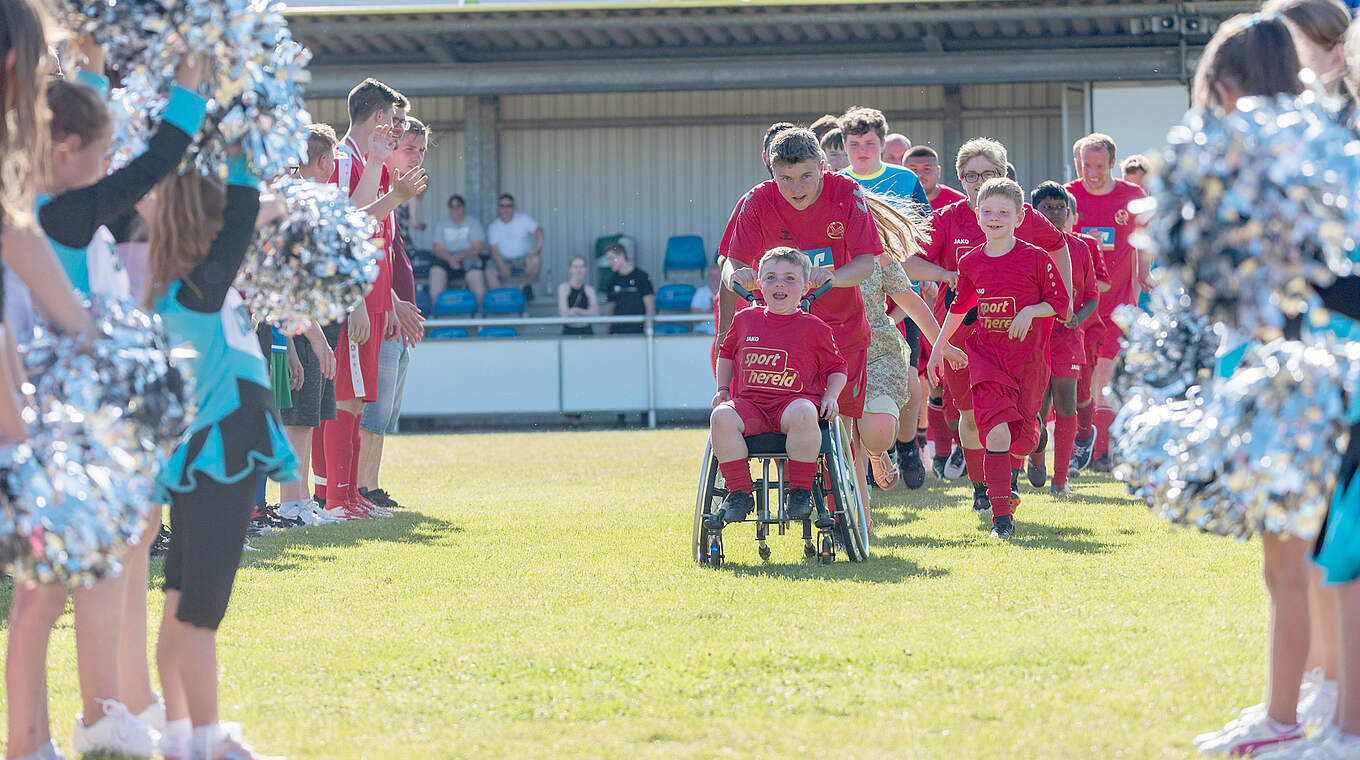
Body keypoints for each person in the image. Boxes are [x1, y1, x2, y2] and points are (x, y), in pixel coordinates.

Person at [1174, 15, 1322, 758]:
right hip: (1303, 371)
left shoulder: (1250, 162)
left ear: (1225, 88)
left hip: (1278, 374)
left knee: (1288, 567)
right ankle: (1307, 703)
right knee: (1315, 566)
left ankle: (1286, 715)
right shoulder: (1317, 149)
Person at [146, 161, 294, 760]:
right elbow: (241, 216)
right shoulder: (198, 283)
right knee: (200, 609)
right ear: (205, 225)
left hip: (211, 451)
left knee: (181, 601)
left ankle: (181, 735)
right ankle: (207, 741)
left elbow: (240, 220)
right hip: (222, 453)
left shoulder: (193, 282)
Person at [918, 137, 1070, 513]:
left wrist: (1056, 301)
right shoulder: (947, 218)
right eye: (970, 175)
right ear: (960, 178)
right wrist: (947, 273)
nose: (978, 181)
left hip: (1015, 336)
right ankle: (982, 489)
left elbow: (1059, 245)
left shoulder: (1023, 216)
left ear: (1004, 176)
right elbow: (908, 262)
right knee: (970, 416)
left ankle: (1008, 481)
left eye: (988, 173)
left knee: (1015, 417)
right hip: (963, 334)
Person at [320, 77, 425, 520]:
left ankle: (350, 494)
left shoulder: (368, 160)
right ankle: (337, 498)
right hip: (354, 298)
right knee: (346, 397)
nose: (397, 129)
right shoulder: (344, 160)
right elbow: (346, 230)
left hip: (374, 298)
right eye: (393, 119)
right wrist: (358, 299)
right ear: (379, 117)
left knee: (359, 399)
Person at [705, 247, 847, 527]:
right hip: (751, 406)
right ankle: (739, 493)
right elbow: (726, 353)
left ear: (805, 287)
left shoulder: (815, 327)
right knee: (720, 416)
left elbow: (837, 368)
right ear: (759, 284)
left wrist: (831, 396)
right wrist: (723, 389)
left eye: (789, 278)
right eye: (770, 277)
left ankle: (800, 492)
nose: (779, 284)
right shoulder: (745, 320)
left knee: (807, 411)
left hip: (792, 407)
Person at [855, 202, 965, 495]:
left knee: (909, 391)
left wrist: (944, 345)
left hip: (879, 344)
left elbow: (911, 302)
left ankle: (893, 449)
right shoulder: (812, 258)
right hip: (828, 351)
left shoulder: (881, 260)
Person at [1064, 132, 1149, 473]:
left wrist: (1143, 275)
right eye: (1087, 165)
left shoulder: (1132, 195)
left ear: (1114, 163)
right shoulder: (1067, 196)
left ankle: (1100, 453)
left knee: (1105, 376)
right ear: (1077, 163)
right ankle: (1078, 447)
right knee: (1076, 380)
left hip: (1116, 303)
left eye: (1099, 166)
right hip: (1077, 305)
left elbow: (1143, 241)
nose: (1092, 172)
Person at [358, 116, 429, 511]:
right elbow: (370, 256)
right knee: (372, 408)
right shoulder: (376, 190)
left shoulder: (393, 196)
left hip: (394, 311)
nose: (417, 157)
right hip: (382, 312)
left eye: (421, 150)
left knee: (384, 411)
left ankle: (371, 484)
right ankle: (361, 489)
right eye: (410, 149)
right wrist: (392, 301)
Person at [276, 125, 341, 526]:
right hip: (285, 323)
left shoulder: (303, 204)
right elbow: (285, 283)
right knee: (294, 418)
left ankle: (298, 503)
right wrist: (308, 341)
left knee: (305, 419)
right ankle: (288, 505)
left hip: (299, 319)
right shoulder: (285, 202)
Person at [1024, 182, 1101, 497]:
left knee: (1066, 401)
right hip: (1033, 337)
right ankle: (1036, 455)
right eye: (1047, 207)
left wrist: (1078, 318)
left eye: (1060, 208)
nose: (1054, 213)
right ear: (1034, 212)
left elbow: (1092, 297)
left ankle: (1060, 480)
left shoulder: (1081, 248)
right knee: (1037, 403)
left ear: (1069, 213)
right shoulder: (1024, 245)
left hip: (1068, 336)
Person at [904, 144, 968, 480]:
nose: (920, 174)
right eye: (913, 168)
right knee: (926, 380)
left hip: (949, 307)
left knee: (948, 379)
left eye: (926, 168)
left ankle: (957, 448)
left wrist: (938, 281)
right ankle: (932, 452)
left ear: (939, 171)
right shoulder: (899, 198)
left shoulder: (956, 203)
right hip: (906, 303)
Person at [431, 193, 487, 306]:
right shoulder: (442, 224)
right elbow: (438, 249)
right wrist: (451, 259)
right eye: (452, 207)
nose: (455, 209)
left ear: (464, 207)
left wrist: (458, 257)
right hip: (447, 258)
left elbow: (478, 247)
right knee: (436, 272)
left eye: (458, 206)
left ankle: (480, 314)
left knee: (476, 275)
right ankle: (435, 312)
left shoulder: (473, 222)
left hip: (468, 257)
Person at [486, 193, 543, 303]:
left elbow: (539, 230)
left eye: (509, 206)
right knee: (489, 271)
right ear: (498, 208)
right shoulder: (494, 226)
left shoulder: (523, 219)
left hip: (522, 259)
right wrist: (501, 265)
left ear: (514, 207)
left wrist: (538, 248)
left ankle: (527, 287)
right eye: (502, 206)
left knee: (536, 260)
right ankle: (502, 300)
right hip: (504, 259)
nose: (505, 209)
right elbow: (494, 250)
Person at [604, 242, 654, 335]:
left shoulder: (641, 276)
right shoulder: (612, 280)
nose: (609, 262)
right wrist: (608, 331)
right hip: (617, 332)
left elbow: (650, 307)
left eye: (611, 258)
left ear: (622, 255)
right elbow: (611, 308)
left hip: (637, 331)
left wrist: (647, 330)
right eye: (608, 259)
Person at [904, 145, 968, 210]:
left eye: (927, 169)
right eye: (914, 169)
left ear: (938, 171)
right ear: (903, 172)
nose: (920, 175)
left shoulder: (958, 202)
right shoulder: (896, 201)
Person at [558, 254, 599, 336]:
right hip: (570, 331)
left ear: (585, 269)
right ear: (570, 269)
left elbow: (596, 313)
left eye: (581, 267)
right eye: (575, 267)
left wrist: (576, 310)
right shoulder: (563, 288)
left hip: (586, 331)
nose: (579, 270)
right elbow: (564, 314)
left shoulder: (589, 289)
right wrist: (586, 313)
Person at [691, 265, 720, 334]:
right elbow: (694, 318)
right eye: (711, 276)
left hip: (721, 334)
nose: (714, 278)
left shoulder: (727, 293)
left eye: (717, 275)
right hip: (701, 333)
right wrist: (711, 309)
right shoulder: (700, 292)